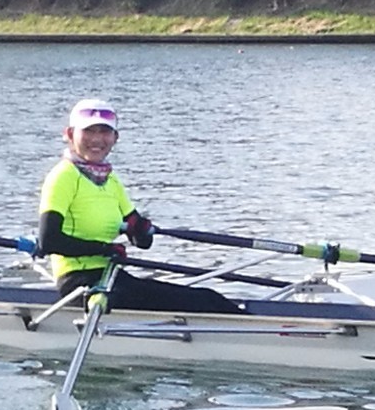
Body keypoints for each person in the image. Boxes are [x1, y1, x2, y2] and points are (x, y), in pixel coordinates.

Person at [37, 99, 242, 315]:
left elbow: (142, 241)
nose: (97, 139)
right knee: (201, 301)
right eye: (88, 131)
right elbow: (48, 240)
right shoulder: (63, 176)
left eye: (105, 132)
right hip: (80, 284)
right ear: (70, 134)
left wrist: (141, 229)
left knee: (209, 297)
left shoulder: (110, 180)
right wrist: (104, 249)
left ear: (115, 138)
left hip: (110, 277)